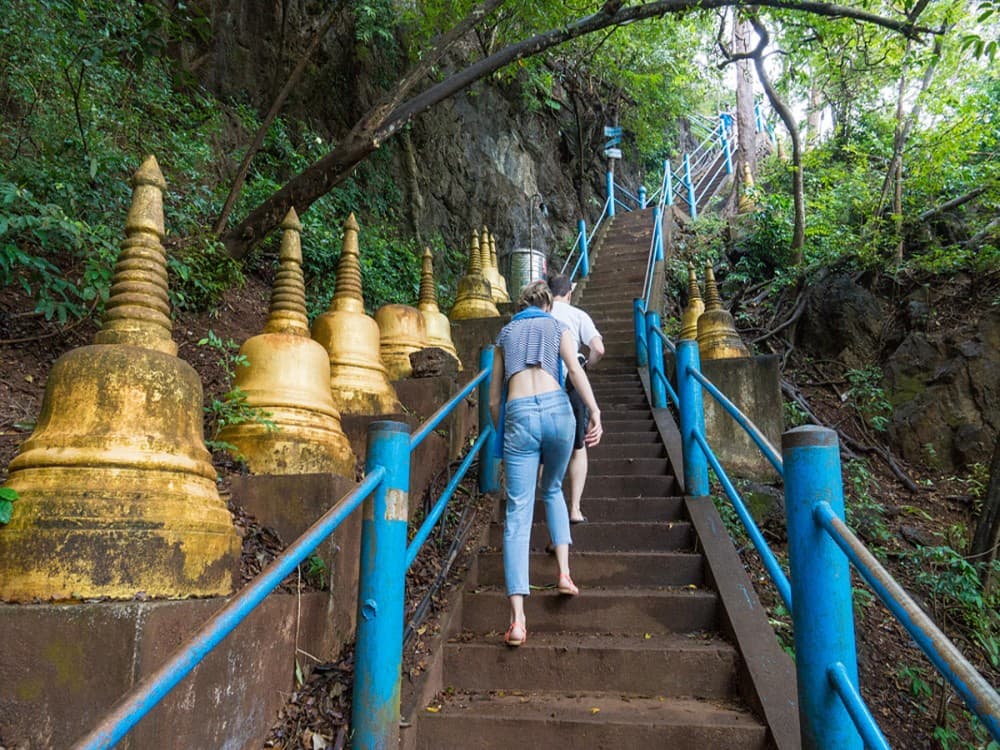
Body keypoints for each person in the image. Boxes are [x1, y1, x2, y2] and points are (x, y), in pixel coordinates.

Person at [489, 280, 602, 647]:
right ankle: (565, 574)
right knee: (553, 488)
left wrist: (503, 432)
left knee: (518, 514)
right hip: (559, 412)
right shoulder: (556, 326)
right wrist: (595, 412)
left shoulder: (505, 334)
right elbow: (575, 369)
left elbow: (494, 401)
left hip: (520, 415)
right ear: (548, 305)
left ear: (520, 306)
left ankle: (518, 620)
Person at [548, 274, 604, 524]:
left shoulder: (541, 314)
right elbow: (599, 349)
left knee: (547, 445)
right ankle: (574, 509)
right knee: (578, 446)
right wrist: (586, 366)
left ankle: (552, 504)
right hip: (572, 382)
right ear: (569, 293)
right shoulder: (579, 315)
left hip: (545, 380)